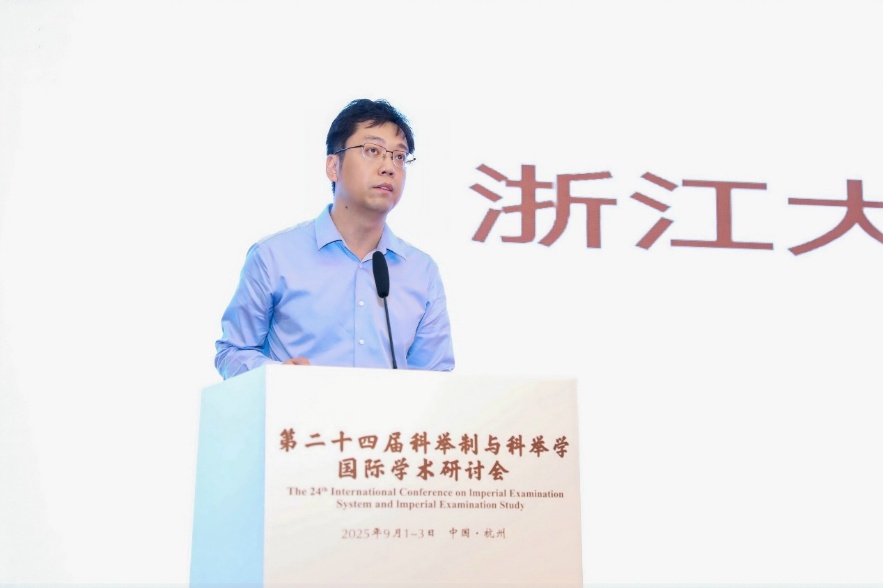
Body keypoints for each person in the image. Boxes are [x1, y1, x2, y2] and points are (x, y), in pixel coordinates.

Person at [214, 98, 455, 379]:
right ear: (333, 166)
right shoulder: (273, 256)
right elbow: (233, 352)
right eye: (372, 150)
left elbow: (436, 378)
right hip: (297, 408)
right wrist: (279, 376)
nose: (389, 166)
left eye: (399, 156)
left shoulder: (421, 271)